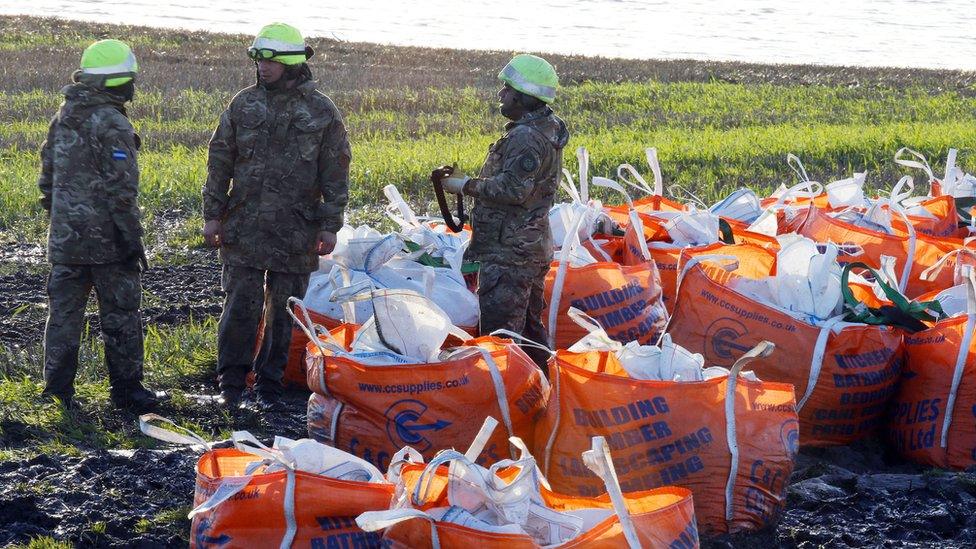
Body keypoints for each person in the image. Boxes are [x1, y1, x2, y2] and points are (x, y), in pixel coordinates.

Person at [202, 22, 351, 410]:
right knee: (240, 305)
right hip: (245, 225)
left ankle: (270, 384)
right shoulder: (243, 104)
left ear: (289, 62)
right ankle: (231, 383)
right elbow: (219, 161)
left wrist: (330, 224)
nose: (261, 68)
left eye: (269, 61)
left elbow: (335, 170)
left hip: (295, 229)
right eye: (257, 60)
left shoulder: (321, 111)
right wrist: (212, 214)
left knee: (285, 310)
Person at [38, 39, 158, 411]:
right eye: (128, 79)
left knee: (63, 317)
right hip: (108, 243)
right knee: (121, 315)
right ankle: (127, 392)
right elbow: (123, 191)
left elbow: (46, 179)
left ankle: (57, 392)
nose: (132, 86)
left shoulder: (63, 117)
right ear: (112, 82)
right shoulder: (113, 123)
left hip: (65, 242)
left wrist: (62, 221)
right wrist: (132, 241)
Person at [431, 54, 569, 373]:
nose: (500, 95)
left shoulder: (526, 138)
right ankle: (546, 396)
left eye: (506, 89)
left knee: (500, 340)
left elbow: (513, 190)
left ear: (522, 96)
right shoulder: (546, 128)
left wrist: (466, 185)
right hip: (527, 246)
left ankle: (504, 404)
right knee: (531, 333)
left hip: (511, 254)